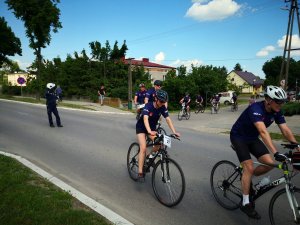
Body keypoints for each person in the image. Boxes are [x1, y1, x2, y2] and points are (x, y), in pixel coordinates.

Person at [230, 85, 299, 219]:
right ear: (268, 100)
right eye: (279, 101)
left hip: (252, 138)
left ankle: (247, 178)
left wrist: (297, 145)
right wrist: (275, 152)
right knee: (249, 166)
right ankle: (245, 203)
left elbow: (285, 130)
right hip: (238, 137)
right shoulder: (255, 109)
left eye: (283, 102)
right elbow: (263, 131)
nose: (281, 104)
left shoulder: (276, 111)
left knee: (269, 163)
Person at [136, 89, 180, 182]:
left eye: (164, 102)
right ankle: (140, 172)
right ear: (156, 99)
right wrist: (149, 131)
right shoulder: (148, 106)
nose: (162, 103)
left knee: (159, 144)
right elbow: (145, 119)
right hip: (142, 127)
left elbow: (168, 119)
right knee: (143, 148)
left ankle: (148, 156)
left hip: (151, 129)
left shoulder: (162, 107)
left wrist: (174, 132)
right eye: (161, 101)